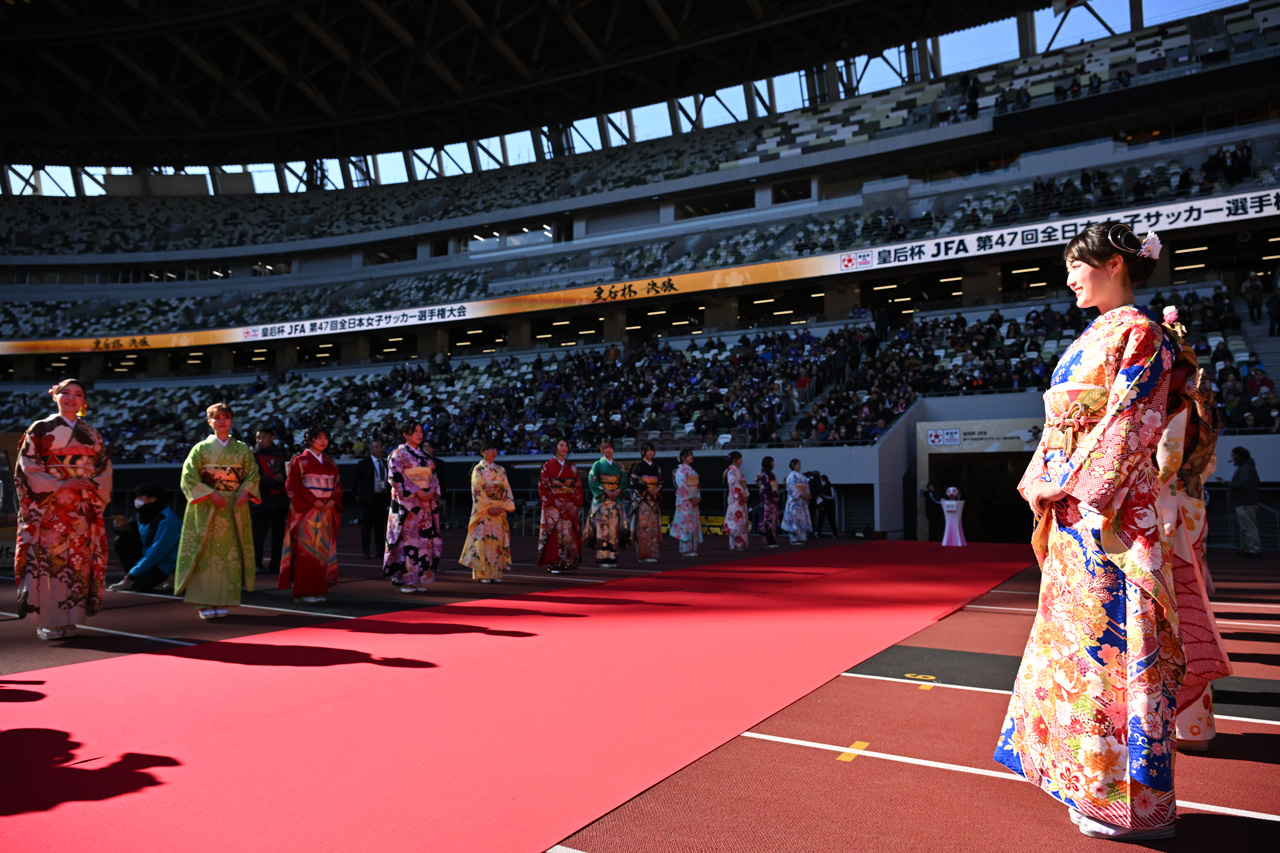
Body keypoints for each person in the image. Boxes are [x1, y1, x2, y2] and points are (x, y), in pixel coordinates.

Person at [994, 222, 1182, 840]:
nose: (1069, 277)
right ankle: (1093, 787)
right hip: (1075, 513)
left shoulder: (1142, 332)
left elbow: (1132, 423)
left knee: (1117, 647)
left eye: (1079, 265)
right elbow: (1061, 428)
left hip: (1111, 516)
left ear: (1115, 266)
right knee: (1080, 653)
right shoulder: (1095, 336)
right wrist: (1042, 483)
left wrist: (1071, 484)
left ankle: (1137, 806)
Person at [1154, 332, 1231, 752]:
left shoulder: (1173, 412)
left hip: (1166, 512)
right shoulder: (1204, 415)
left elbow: (1164, 464)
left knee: (1165, 619)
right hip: (1194, 508)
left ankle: (1165, 722)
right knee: (1192, 611)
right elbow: (1204, 467)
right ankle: (1195, 725)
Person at [14, 379, 113, 640]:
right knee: (51, 563)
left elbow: (103, 469)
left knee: (78, 564)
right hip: (51, 509)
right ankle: (48, 621)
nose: (71, 398)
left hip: (82, 508)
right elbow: (28, 466)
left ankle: (70, 619)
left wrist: (90, 486)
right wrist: (62, 482)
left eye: (78, 394)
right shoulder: (40, 429)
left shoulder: (91, 433)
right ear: (54, 396)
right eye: (65, 393)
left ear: (84, 401)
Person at [174, 403, 261, 621]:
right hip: (207, 505)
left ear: (231, 420)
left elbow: (252, 475)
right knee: (205, 552)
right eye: (217, 417)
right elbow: (188, 476)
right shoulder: (200, 449)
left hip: (233, 506)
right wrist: (210, 494)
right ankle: (204, 600)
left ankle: (224, 599)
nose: (221, 421)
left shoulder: (242, 449)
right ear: (209, 421)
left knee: (228, 553)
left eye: (226, 417)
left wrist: (245, 491)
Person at [278, 426, 343, 604]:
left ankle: (318, 590)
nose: (323, 441)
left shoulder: (330, 463)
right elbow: (292, 486)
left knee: (322, 549)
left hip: (325, 511)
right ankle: (303, 592)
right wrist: (314, 501)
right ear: (309, 440)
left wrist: (331, 501)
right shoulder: (299, 461)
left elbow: (337, 487)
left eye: (325, 438)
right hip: (307, 511)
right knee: (305, 552)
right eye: (318, 438)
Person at [383, 421, 442, 592]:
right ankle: (405, 578)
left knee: (423, 542)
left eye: (420, 431)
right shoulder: (398, 454)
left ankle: (418, 578)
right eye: (414, 431)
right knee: (406, 542)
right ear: (405, 434)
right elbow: (395, 478)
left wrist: (430, 492)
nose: (419, 434)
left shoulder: (425, 456)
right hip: (408, 505)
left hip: (424, 505)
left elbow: (433, 478)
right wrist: (417, 491)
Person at [109, 482, 182, 593]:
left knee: (139, 586)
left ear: (152, 499)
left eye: (140, 497)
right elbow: (132, 533)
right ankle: (131, 578)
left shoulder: (167, 520)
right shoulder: (142, 514)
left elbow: (157, 551)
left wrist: (132, 574)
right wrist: (120, 527)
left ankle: (169, 576)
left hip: (166, 562)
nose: (136, 500)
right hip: (148, 555)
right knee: (121, 542)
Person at [459, 439, 515, 583]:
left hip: (498, 510)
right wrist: (489, 506)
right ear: (482, 452)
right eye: (489, 449)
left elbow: (506, 489)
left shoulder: (501, 470)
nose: (493, 452)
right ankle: (483, 573)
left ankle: (495, 573)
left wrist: (501, 506)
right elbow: (477, 490)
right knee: (482, 541)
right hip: (484, 511)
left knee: (497, 541)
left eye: (495, 449)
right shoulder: (478, 469)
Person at [537, 438, 582, 574]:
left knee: (568, 534)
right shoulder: (547, 466)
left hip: (568, 504)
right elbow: (543, 486)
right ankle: (555, 562)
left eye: (566, 445)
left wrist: (569, 501)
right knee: (555, 534)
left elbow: (578, 486)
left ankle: (568, 562)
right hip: (553, 505)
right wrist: (555, 501)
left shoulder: (572, 467)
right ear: (555, 447)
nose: (564, 448)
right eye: (561, 445)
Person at [249, 427, 289, 574]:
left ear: (272, 438)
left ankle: (276, 563)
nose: (260, 440)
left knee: (279, 536)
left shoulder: (280, 455)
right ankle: (256, 563)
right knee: (258, 535)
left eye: (264, 437)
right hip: (260, 501)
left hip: (279, 501)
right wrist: (271, 484)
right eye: (258, 437)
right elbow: (252, 478)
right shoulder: (253, 456)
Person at [584, 439, 627, 568]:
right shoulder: (597, 465)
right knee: (603, 530)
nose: (609, 450)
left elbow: (624, 480)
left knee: (614, 530)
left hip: (615, 500)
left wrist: (618, 490)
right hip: (603, 500)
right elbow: (592, 480)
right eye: (606, 448)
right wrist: (607, 491)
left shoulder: (619, 466)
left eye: (611, 447)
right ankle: (603, 558)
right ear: (602, 450)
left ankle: (612, 557)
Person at [1218, 446, 1261, 557]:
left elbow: (1243, 485)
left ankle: (1253, 550)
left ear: (1238, 456)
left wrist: (1226, 483)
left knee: (1248, 527)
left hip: (1245, 502)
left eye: (1233, 456)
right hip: (1244, 502)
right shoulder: (1246, 467)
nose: (1232, 458)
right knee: (1245, 527)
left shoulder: (1245, 468)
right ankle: (1247, 548)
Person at [356, 440, 391, 559]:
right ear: (371, 450)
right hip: (368, 499)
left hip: (381, 498)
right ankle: (365, 551)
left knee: (380, 527)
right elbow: (355, 480)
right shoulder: (364, 463)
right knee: (366, 526)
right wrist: (357, 495)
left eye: (381, 447)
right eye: (376, 447)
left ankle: (380, 550)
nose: (379, 449)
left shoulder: (386, 464)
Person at [630, 442, 663, 563]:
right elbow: (634, 480)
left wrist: (657, 489)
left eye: (652, 450)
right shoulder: (638, 466)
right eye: (647, 450)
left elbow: (661, 481)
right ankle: (643, 554)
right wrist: (648, 489)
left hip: (653, 500)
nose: (650, 452)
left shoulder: (657, 468)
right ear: (643, 452)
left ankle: (653, 553)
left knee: (653, 528)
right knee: (643, 527)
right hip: (643, 500)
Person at [670, 448, 702, 557]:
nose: (691, 457)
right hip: (685, 500)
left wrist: (697, 496)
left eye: (691, 455)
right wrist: (691, 496)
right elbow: (681, 485)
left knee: (693, 522)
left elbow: (696, 485)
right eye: (688, 455)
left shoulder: (692, 471)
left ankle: (692, 547)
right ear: (683, 458)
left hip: (693, 498)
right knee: (686, 522)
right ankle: (685, 549)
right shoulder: (681, 471)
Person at [722, 451, 750, 550]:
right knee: (736, 521)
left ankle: (740, 543)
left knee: (741, 521)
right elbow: (734, 486)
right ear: (735, 460)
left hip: (741, 499)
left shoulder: (740, 472)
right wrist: (742, 495)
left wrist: (746, 495)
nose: (741, 460)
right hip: (736, 500)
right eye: (739, 458)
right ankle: (735, 544)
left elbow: (743, 485)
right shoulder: (731, 471)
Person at [781, 458, 812, 544]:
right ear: (792, 465)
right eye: (797, 464)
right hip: (795, 501)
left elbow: (806, 486)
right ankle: (793, 539)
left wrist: (807, 494)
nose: (799, 466)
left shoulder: (802, 476)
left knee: (801, 519)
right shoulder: (791, 476)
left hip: (802, 501)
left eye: (799, 464)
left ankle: (801, 537)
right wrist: (801, 494)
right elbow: (791, 487)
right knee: (794, 519)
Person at [756, 456, 782, 548]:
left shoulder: (769, 474)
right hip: (768, 501)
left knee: (772, 521)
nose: (773, 464)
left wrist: (776, 496)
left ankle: (771, 540)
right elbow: (765, 488)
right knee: (767, 520)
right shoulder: (765, 475)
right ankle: (768, 541)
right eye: (772, 462)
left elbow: (773, 487)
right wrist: (772, 497)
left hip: (771, 500)